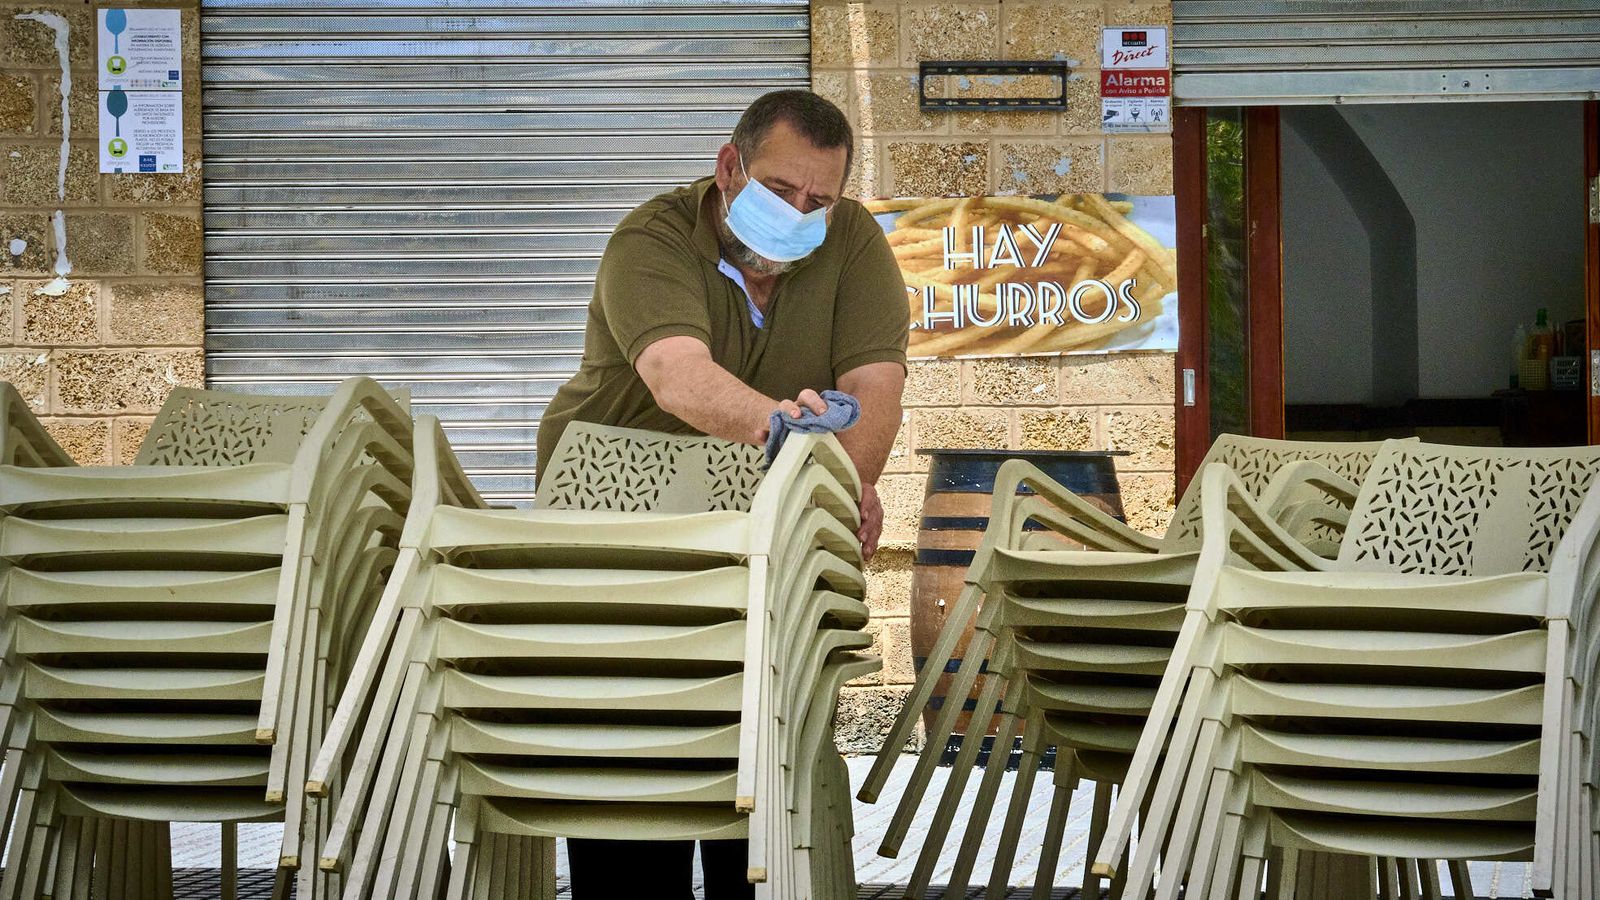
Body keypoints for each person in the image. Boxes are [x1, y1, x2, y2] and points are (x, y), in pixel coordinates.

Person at [536, 89, 909, 898]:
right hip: (614, 528)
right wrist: (796, 440)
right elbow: (679, 378)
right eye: (780, 192)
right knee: (629, 766)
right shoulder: (654, 237)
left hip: (750, 536)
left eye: (820, 200)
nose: (801, 213)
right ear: (728, 168)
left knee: (759, 766)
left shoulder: (850, 242)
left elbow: (876, 388)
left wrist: (847, 478)